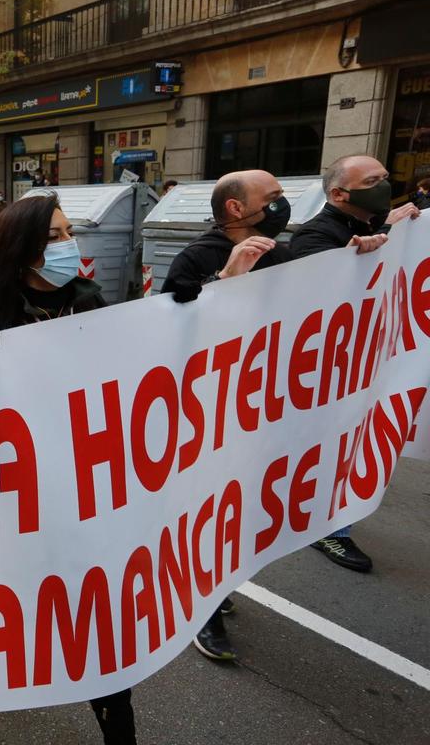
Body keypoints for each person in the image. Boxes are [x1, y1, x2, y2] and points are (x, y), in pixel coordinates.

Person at [0, 192, 134, 745]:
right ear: (24, 248)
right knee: (32, 606)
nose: (66, 243)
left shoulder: (92, 302)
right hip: (19, 503)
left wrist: (181, 308)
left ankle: (115, 712)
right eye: (53, 236)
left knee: (99, 619)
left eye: (68, 231)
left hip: (85, 492)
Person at [160, 169, 293, 661]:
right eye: (273, 196)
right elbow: (169, 335)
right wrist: (225, 280)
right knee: (203, 509)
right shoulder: (197, 258)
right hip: (202, 416)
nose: (282, 204)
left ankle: (213, 586)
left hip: (253, 408)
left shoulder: (281, 252)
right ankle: (203, 611)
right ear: (236, 208)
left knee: (233, 512)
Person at [289, 154, 419, 573]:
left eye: (384, 176)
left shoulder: (370, 225)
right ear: (339, 194)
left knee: (355, 444)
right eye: (373, 180)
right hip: (326, 373)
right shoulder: (316, 236)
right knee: (334, 447)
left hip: (364, 366)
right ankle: (328, 528)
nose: (385, 184)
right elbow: (317, 303)